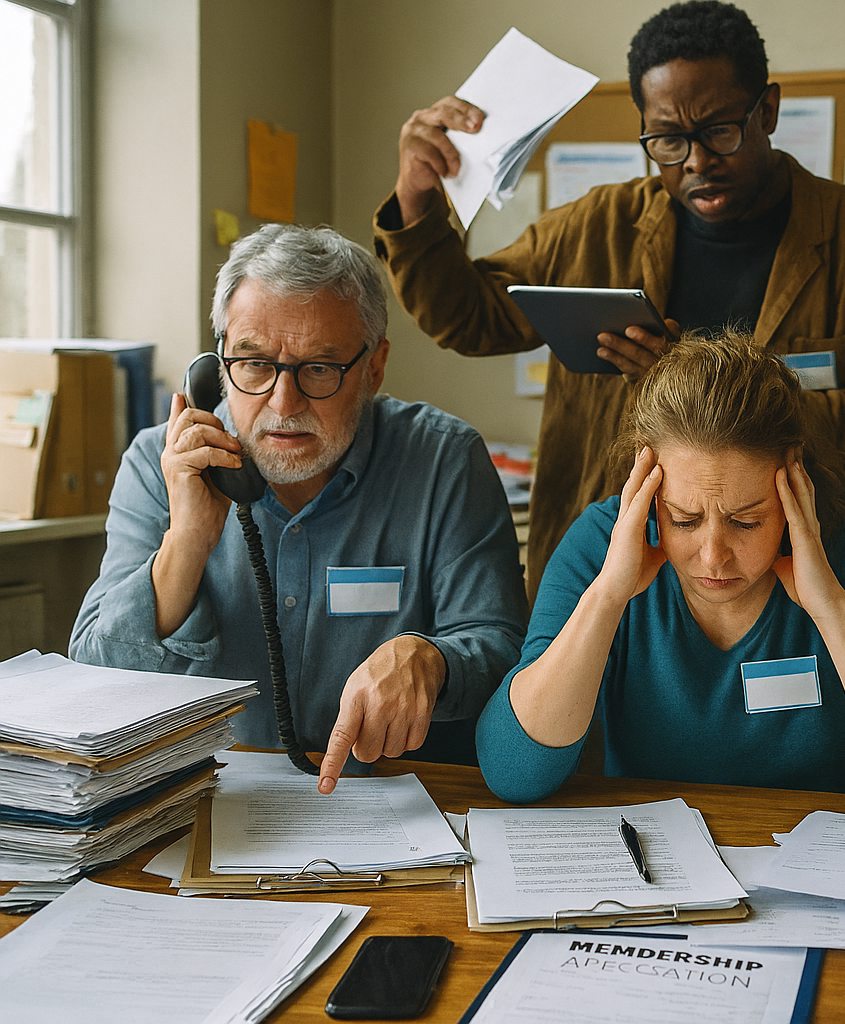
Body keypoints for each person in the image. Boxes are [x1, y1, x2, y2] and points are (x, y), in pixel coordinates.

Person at [373, 0, 845, 598]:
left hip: (802, 585)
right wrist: (417, 201)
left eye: (719, 132)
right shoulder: (597, 227)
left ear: (769, 110)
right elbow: (469, 319)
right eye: (668, 140)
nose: (697, 162)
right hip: (613, 580)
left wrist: (727, 393)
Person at [72, 225, 528, 794]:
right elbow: (93, 675)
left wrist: (431, 658)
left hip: (394, 801)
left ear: (374, 368)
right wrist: (186, 540)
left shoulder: (444, 460)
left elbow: (502, 645)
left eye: (319, 368)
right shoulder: (158, 463)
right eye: (254, 364)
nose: (282, 404)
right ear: (217, 366)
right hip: (204, 802)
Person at [476, 333, 845, 814]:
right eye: (684, 519)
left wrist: (831, 608)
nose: (713, 555)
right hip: (665, 871)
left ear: (793, 477)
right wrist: (608, 597)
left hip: (841, 874)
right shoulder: (603, 546)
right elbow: (512, 772)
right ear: (648, 486)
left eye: (746, 521)